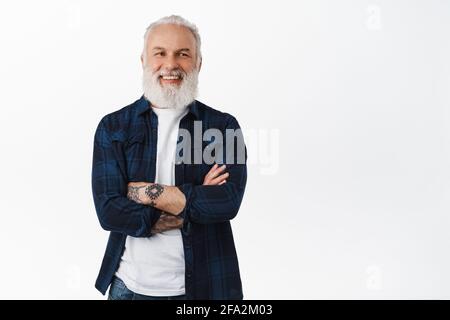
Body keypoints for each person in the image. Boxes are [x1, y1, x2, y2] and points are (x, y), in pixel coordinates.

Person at [91, 15, 247, 300]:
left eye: (183, 54)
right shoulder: (113, 127)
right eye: (160, 53)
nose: (171, 64)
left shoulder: (224, 127)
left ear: (198, 63)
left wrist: (137, 191)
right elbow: (108, 210)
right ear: (143, 60)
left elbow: (228, 201)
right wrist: (195, 201)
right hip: (129, 288)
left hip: (206, 288)